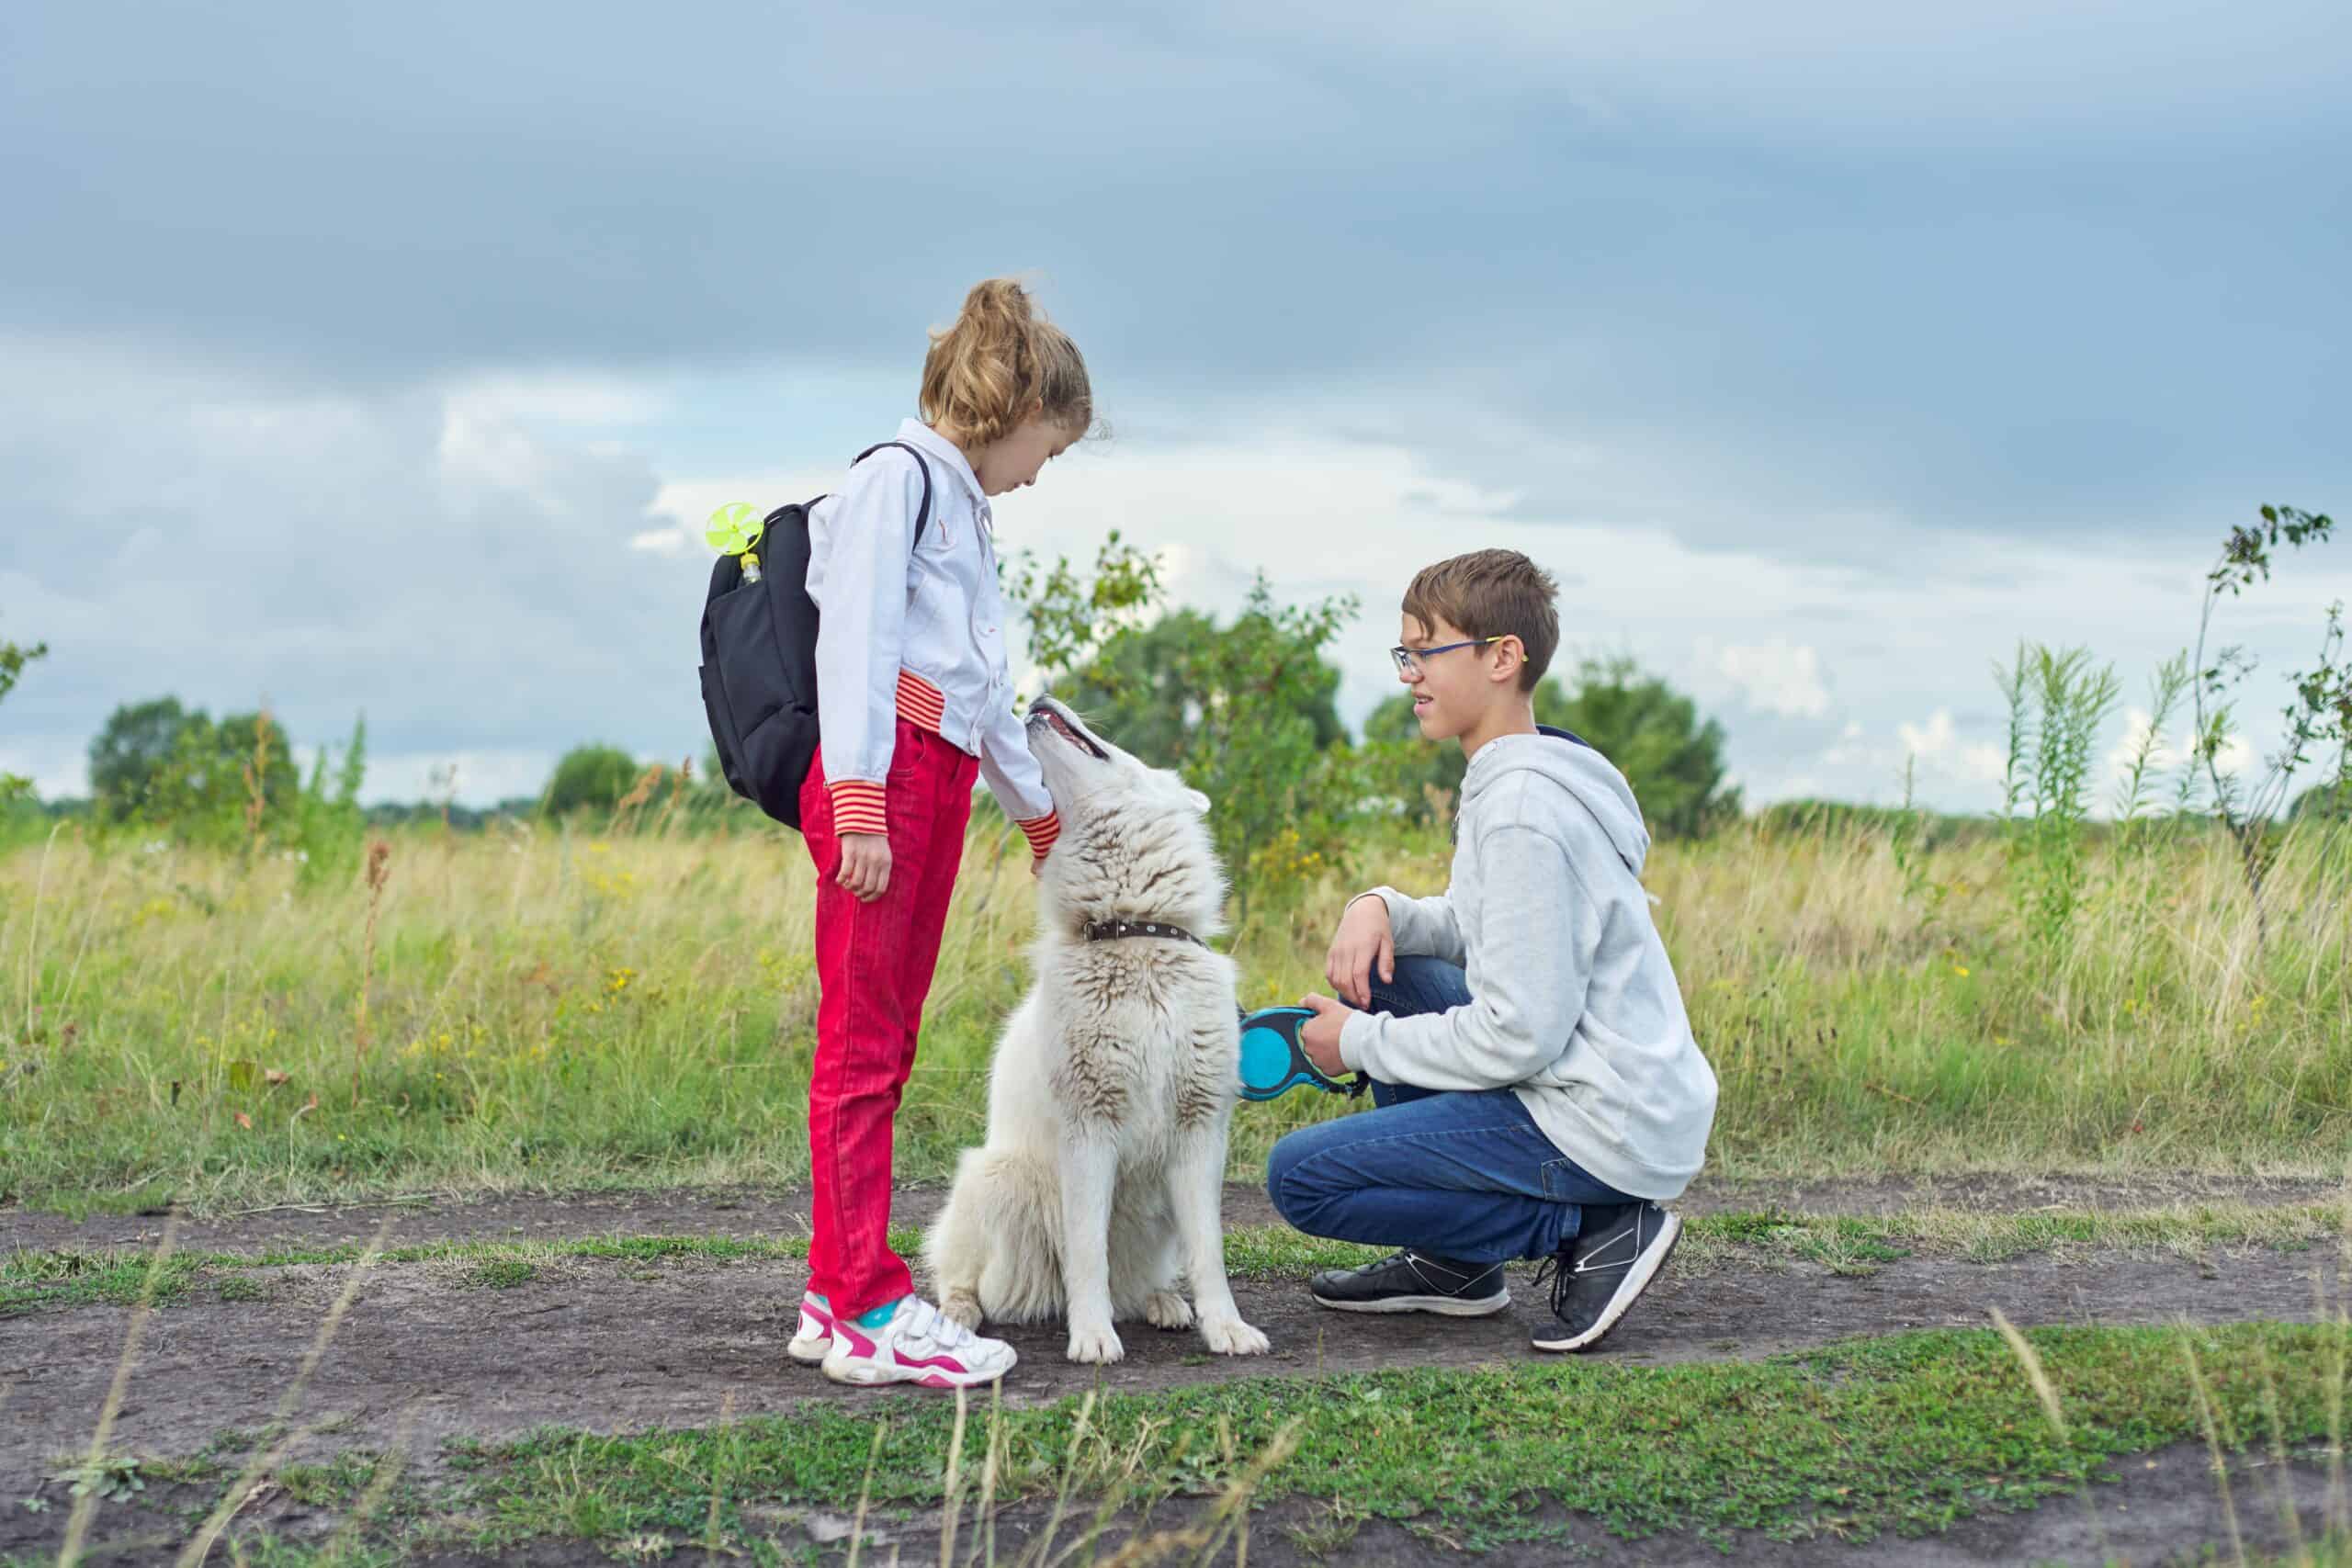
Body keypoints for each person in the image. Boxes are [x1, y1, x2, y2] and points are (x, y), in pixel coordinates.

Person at [1265, 548, 1718, 1352]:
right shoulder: (1514, 779)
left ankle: (1595, 1225)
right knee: (1394, 971)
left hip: (1602, 1120)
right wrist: (1380, 908)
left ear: (1503, 657)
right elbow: (1479, 927)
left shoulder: (1521, 810)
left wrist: (1358, 1042)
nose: (1409, 674)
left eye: (1426, 651)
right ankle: (1457, 1266)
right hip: (1596, 1093)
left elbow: (1518, 1033)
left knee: (1301, 1178)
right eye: (1404, 654)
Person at [786, 278, 1089, 1388]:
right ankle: (866, 1306)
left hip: (935, 775)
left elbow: (976, 684)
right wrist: (859, 800)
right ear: (1012, 409)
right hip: (884, 781)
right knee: (861, 1049)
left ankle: (835, 1290)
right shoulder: (894, 482)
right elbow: (854, 648)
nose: (1041, 469)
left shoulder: (961, 504)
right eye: (1046, 447)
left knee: (887, 1044)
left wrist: (1037, 813)